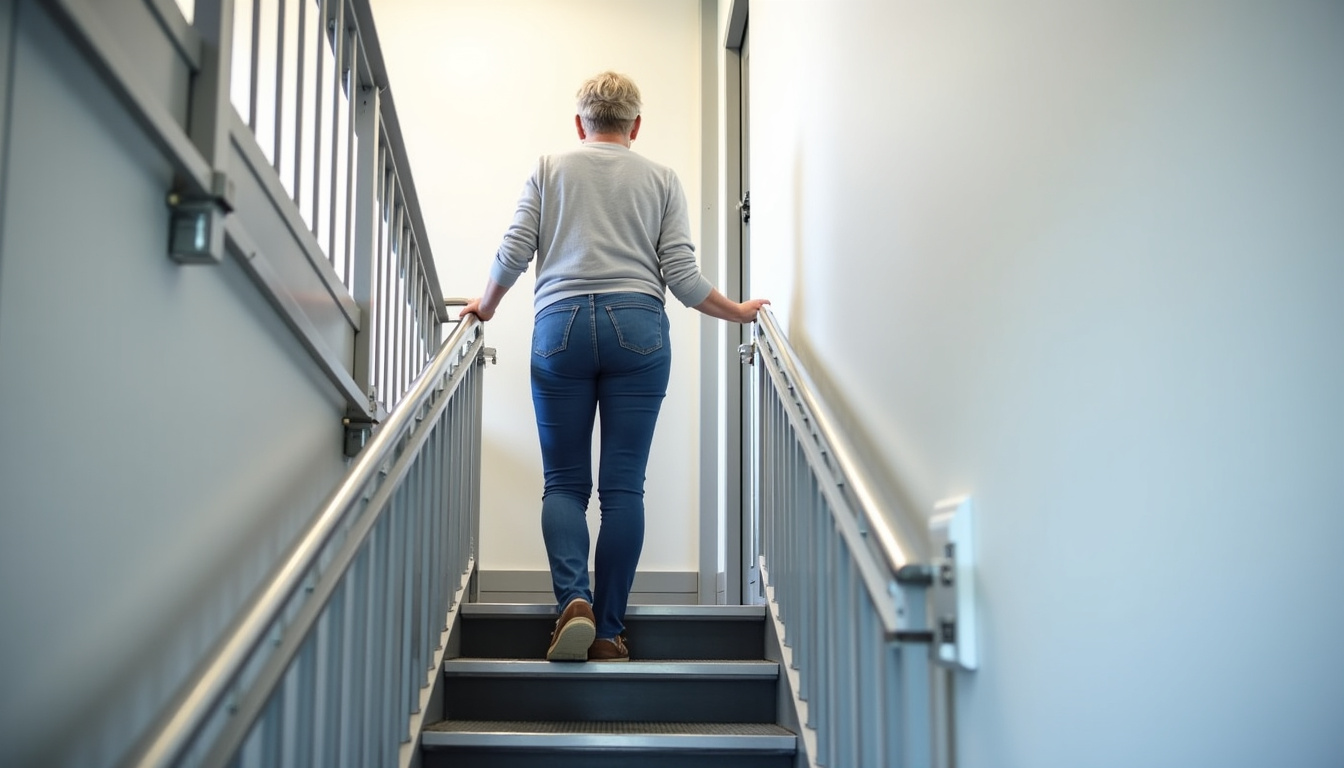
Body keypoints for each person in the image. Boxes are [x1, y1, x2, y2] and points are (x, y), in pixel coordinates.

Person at [461, 71, 768, 663]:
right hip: (639, 329)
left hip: (560, 327)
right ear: (635, 126)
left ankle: (571, 603)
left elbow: (514, 249)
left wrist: (486, 306)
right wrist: (736, 312)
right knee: (623, 488)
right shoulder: (661, 179)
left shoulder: (550, 167)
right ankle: (607, 631)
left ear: (580, 123)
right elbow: (680, 275)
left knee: (564, 484)